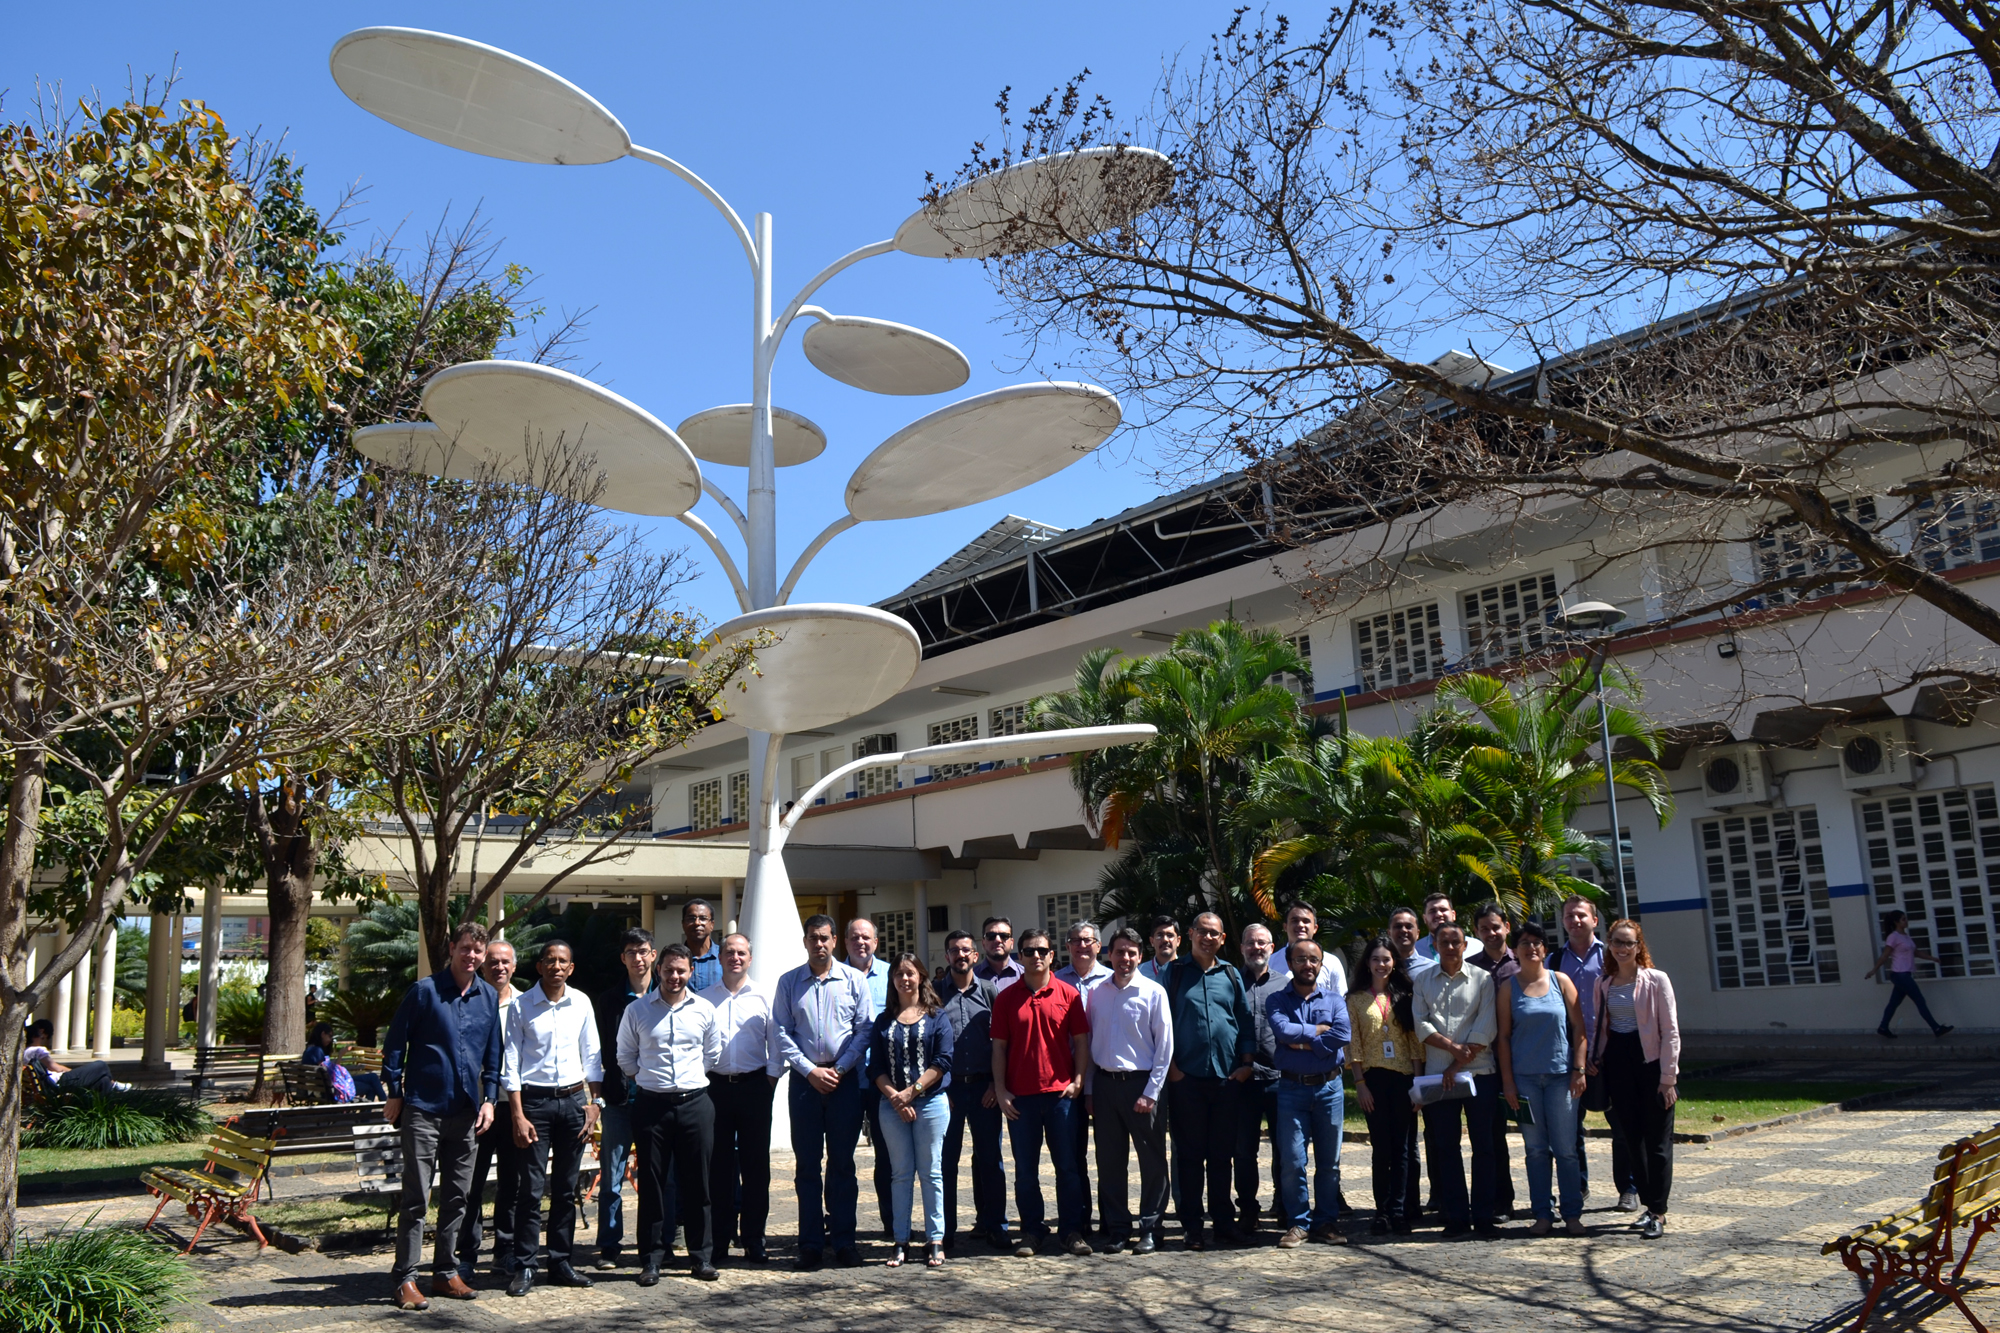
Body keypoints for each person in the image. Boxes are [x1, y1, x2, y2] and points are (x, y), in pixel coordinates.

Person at [382, 922, 503, 1311]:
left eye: (478, 952)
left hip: (467, 1113)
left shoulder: (488, 997)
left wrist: (490, 1100)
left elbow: (493, 1056)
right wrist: (396, 1093)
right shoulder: (425, 992)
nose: (472, 957)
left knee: (458, 1197)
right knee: (417, 1197)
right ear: (452, 948)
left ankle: (446, 1272)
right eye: (466, 949)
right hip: (424, 1109)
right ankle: (405, 1279)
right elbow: (394, 1044)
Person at [501, 939, 603, 1296]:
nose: (557, 966)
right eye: (550, 960)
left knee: (565, 1188)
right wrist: (517, 1114)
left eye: (563, 961)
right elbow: (510, 1063)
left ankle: (560, 1261)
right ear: (540, 966)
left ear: (571, 968)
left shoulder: (582, 1003)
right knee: (529, 1190)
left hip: (574, 1103)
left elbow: (592, 1056)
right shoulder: (521, 1006)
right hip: (535, 1106)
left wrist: (595, 1104)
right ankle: (525, 1265)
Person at [774, 913, 875, 1270]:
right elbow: (781, 1032)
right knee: (807, 1166)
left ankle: (845, 1241)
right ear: (805, 941)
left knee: (843, 1165)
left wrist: (840, 1068)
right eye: (813, 938)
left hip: (844, 1080)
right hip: (805, 1082)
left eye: (825, 938)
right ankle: (811, 1243)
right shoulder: (788, 983)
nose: (819, 944)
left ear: (835, 941)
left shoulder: (853, 981)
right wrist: (810, 1070)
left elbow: (864, 1030)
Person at [618, 943, 722, 1283]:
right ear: (658, 969)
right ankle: (651, 1259)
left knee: (700, 1184)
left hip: (696, 1104)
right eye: (668, 970)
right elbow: (626, 1056)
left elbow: (713, 1053)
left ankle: (700, 1256)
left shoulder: (705, 1009)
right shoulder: (638, 1010)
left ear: (690, 972)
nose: (674, 976)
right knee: (652, 1185)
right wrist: (649, 1080)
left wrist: (689, 1082)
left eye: (681, 971)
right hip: (652, 1106)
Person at [991, 927, 1093, 1257]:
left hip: (1060, 1096)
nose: (1036, 955)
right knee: (1026, 1171)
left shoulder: (1068, 995)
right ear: (1019, 957)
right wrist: (1002, 1089)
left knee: (1068, 1167)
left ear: (1052, 956)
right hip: (1021, 1099)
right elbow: (999, 1049)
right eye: (1029, 951)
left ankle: (1071, 1231)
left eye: (1042, 951)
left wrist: (1078, 1079)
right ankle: (1031, 1231)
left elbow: (1080, 1042)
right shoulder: (1006, 998)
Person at [1165, 912, 1257, 1249]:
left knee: (1222, 1156)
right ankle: (1192, 1227)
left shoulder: (1230, 974)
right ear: (1189, 935)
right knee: (1189, 1156)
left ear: (1222, 939)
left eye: (1214, 933)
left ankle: (1223, 1224)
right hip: (1185, 1079)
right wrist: (1172, 1068)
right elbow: (1161, 1025)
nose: (1207, 938)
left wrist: (1247, 1064)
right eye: (1201, 932)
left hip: (1226, 1078)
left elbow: (1244, 1023)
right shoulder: (1173, 974)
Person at [1589, 919, 1681, 1240]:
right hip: (1618, 1066)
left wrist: (1668, 1079)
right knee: (1632, 1142)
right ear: (1609, 945)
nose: (1623, 948)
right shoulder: (1604, 984)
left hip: (1652, 1066)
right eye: (1617, 942)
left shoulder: (1657, 980)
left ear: (1639, 946)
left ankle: (1658, 1210)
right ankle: (1648, 1206)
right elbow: (1602, 1029)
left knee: (1657, 1144)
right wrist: (1595, 1061)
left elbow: (1670, 1032)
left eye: (1629, 943)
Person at [1496, 921, 1587, 1237]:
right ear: (1516, 950)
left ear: (1545, 949)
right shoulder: (1508, 988)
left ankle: (1572, 1213)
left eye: (1537, 942)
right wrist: (1508, 1082)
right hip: (1525, 1081)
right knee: (1535, 1149)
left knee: (1566, 1149)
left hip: (1562, 1078)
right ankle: (1542, 1213)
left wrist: (1579, 1069)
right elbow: (1504, 1038)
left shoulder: (1561, 981)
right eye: (1524, 942)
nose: (1531, 947)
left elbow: (1580, 1030)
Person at [1087, 926, 1174, 1254]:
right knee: (1110, 1162)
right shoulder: (1098, 992)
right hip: (1106, 1085)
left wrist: (1151, 1092)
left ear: (1141, 956)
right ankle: (1118, 1229)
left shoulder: (1153, 992)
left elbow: (1165, 1047)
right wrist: (1091, 1090)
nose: (1125, 958)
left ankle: (1151, 1228)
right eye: (1119, 952)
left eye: (1132, 953)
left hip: (1142, 1085)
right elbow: (1091, 1042)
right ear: (1109, 954)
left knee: (1152, 1161)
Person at [1412, 922, 1499, 1237]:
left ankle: (1485, 1216)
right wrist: (1451, 1051)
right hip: (1438, 1077)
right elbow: (1420, 1025)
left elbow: (1486, 1026)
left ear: (1465, 945)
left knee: (1485, 1147)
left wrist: (1457, 1065)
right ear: (1434, 945)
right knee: (1446, 1148)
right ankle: (1457, 1218)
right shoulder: (1422, 981)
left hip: (1480, 1073)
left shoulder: (1483, 980)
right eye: (1443, 942)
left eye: (1455, 942)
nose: (1450, 947)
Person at [869, 953, 954, 1268]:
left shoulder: (936, 1016)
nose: (905, 979)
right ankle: (900, 1240)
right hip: (891, 1107)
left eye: (910, 973)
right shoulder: (884, 1020)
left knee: (931, 1173)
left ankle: (935, 1240)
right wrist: (896, 1098)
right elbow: (875, 1067)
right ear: (892, 980)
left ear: (921, 977)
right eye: (899, 974)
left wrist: (912, 1092)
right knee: (900, 1175)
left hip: (931, 1104)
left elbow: (943, 1061)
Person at [1553, 894, 1637, 1210]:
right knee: (1571, 1129)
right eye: (1569, 916)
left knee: (1622, 1125)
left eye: (1581, 915)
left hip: (1612, 1053)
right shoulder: (1554, 961)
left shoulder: (1612, 955)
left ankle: (1628, 1188)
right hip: (1570, 1057)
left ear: (1594, 920)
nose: (1575, 921)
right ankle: (1579, 1188)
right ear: (1563, 922)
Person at [701, 932, 779, 1264]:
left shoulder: (764, 996)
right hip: (715, 1089)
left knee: (756, 1167)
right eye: (729, 952)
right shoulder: (704, 999)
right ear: (720, 958)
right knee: (718, 1168)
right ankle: (719, 1239)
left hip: (754, 1087)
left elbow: (776, 1043)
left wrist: (770, 1081)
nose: (735, 957)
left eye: (741, 953)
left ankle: (753, 1237)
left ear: (750, 958)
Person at [1266, 939, 1350, 1247]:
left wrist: (1300, 1041)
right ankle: (1298, 1223)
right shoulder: (1277, 1000)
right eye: (1300, 959)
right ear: (1290, 964)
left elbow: (1343, 1034)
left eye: (1313, 960)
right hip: (1291, 1088)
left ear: (1321, 964)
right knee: (1292, 1160)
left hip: (1330, 1088)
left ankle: (1326, 1222)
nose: (1307, 965)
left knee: (1330, 1162)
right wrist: (1317, 1032)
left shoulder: (1334, 1000)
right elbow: (1281, 1031)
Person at [938, 930, 1009, 1252]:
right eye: (954, 951)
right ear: (947, 956)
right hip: (948, 1092)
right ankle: (944, 1230)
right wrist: (940, 1088)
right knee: (944, 1163)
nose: (960, 955)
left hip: (985, 1090)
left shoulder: (990, 992)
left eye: (966, 950)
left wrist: (997, 1083)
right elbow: (930, 1046)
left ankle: (997, 1226)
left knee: (991, 1160)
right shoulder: (935, 995)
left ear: (975, 956)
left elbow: (1001, 1044)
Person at [1345, 938, 1420, 1234]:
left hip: (1403, 1079)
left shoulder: (1406, 996)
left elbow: (1415, 1044)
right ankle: (1381, 1211)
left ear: (1394, 963)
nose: (1381, 964)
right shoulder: (1356, 1000)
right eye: (1376, 959)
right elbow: (1354, 1045)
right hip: (1373, 1080)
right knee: (1382, 1149)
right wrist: (1360, 1083)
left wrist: (1418, 1083)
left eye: (1387, 959)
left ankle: (1399, 1210)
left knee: (1402, 1148)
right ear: (1367, 963)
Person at [592, 929, 654, 1270]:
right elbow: (601, 1050)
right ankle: (610, 1246)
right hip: (618, 1102)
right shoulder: (610, 1000)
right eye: (631, 952)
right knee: (612, 1179)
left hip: (656, 1100)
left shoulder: (666, 994)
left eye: (643, 951)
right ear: (623, 958)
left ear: (653, 955)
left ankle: (655, 1243)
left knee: (657, 1176)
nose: (638, 958)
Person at [458, 941, 520, 1283]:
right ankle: (466, 1253)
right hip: (475, 1109)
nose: (499, 967)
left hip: (512, 1108)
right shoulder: (467, 1001)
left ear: (514, 966)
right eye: (493, 962)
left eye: (505, 962)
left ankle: (505, 1251)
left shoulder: (526, 1004)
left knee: (512, 1183)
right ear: (483, 967)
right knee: (471, 1184)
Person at [1055, 921, 1113, 1236]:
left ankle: (1111, 1218)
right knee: (1074, 1156)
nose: (1081, 946)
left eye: (1088, 940)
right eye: (1075, 940)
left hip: (1104, 1078)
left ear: (1098, 946)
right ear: (1067, 947)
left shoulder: (1111, 979)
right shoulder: (1057, 980)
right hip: (1069, 1082)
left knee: (1108, 1155)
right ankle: (1079, 1220)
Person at [1465, 903, 1519, 1222]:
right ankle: (1502, 1199)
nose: (1491, 933)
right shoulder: (1472, 968)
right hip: (1486, 1062)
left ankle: (1548, 1196)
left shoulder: (1522, 964)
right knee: (1492, 1135)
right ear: (1476, 932)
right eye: (1484, 928)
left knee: (1537, 1132)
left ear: (1507, 927)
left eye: (1495, 926)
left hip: (1522, 1059)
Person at [1234, 922, 1288, 1237]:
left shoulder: (1286, 985)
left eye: (1263, 943)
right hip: (1243, 1081)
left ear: (1272, 947)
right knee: (1243, 1151)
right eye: (1251, 943)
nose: (1257, 948)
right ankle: (1248, 1210)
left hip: (1280, 1078)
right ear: (1242, 948)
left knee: (1285, 1148)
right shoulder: (1230, 982)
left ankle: (1283, 1205)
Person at [846, 917, 895, 1240]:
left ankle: (893, 1223)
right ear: (845, 942)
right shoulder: (836, 977)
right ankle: (838, 1223)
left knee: (888, 1157)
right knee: (840, 1156)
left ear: (876, 942)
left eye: (866, 937)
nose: (860, 942)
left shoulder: (893, 975)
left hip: (883, 1082)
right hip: (846, 1081)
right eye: (854, 937)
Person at [1869, 911, 1955, 1038]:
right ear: (1896, 922)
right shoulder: (1893, 937)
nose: (1906, 921)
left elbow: (1916, 952)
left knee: (1893, 1003)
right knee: (1920, 1000)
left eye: (1906, 919)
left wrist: (1932, 958)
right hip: (1900, 974)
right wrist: (1874, 970)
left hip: (1905, 975)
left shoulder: (1906, 936)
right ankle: (1936, 1028)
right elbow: (1885, 956)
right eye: (1903, 919)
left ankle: (1883, 1027)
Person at [19, 1019, 129, 1092]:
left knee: (103, 1080)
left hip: (49, 1084)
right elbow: (54, 1067)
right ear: (34, 1037)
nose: (42, 1040)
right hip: (59, 1083)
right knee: (101, 1065)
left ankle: (110, 1088)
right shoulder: (37, 1050)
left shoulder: (23, 1052)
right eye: (41, 1037)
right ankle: (113, 1084)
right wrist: (74, 1073)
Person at [304, 1021, 384, 1101]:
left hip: (326, 1085)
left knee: (373, 1077)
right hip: (333, 1088)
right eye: (330, 1036)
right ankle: (382, 1106)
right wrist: (340, 1055)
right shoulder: (316, 1051)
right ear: (323, 1034)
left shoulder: (310, 1050)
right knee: (370, 1088)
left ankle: (384, 1103)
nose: (330, 1040)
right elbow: (332, 1074)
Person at [1283, 903, 1349, 996]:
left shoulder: (1332, 962)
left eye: (1306, 921)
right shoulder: (1271, 962)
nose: (1301, 925)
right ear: (1285, 927)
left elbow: (1341, 1000)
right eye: (1295, 920)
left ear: (1315, 928)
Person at [682, 901, 723, 993]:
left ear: (712, 924)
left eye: (703, 918)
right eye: (691, 918)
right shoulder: (672, 959)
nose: (697, 923)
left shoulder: (724, 957)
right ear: (683, 924)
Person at [1389, 907, 1436, 980]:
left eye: (1409, 927)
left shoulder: (1433, 970)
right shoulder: (1380, 968)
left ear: (1417, 933)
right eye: (1398, 926)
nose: (1404, 930)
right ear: (1389, 933)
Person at [975, 916, 1024, 987]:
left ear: (1012, 943)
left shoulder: (1025, 977)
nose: (997, 940)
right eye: (991, 936)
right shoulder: (971, 978)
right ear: (983, 943)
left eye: (1004, 936)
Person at [1414, 893, 1456, 962]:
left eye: (1443, 909)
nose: (1438, 914)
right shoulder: (1416, 950)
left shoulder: (1475, 946)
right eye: (1432, 911)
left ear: (1453, 915)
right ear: (1425, 919)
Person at [1141, 917, 1180, 983]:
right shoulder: (1140, 973)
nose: (1165, 940)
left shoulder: (1188, 971)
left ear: (1178, 941)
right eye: (1160, 935)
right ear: (1152, 941)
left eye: (1170, 935)